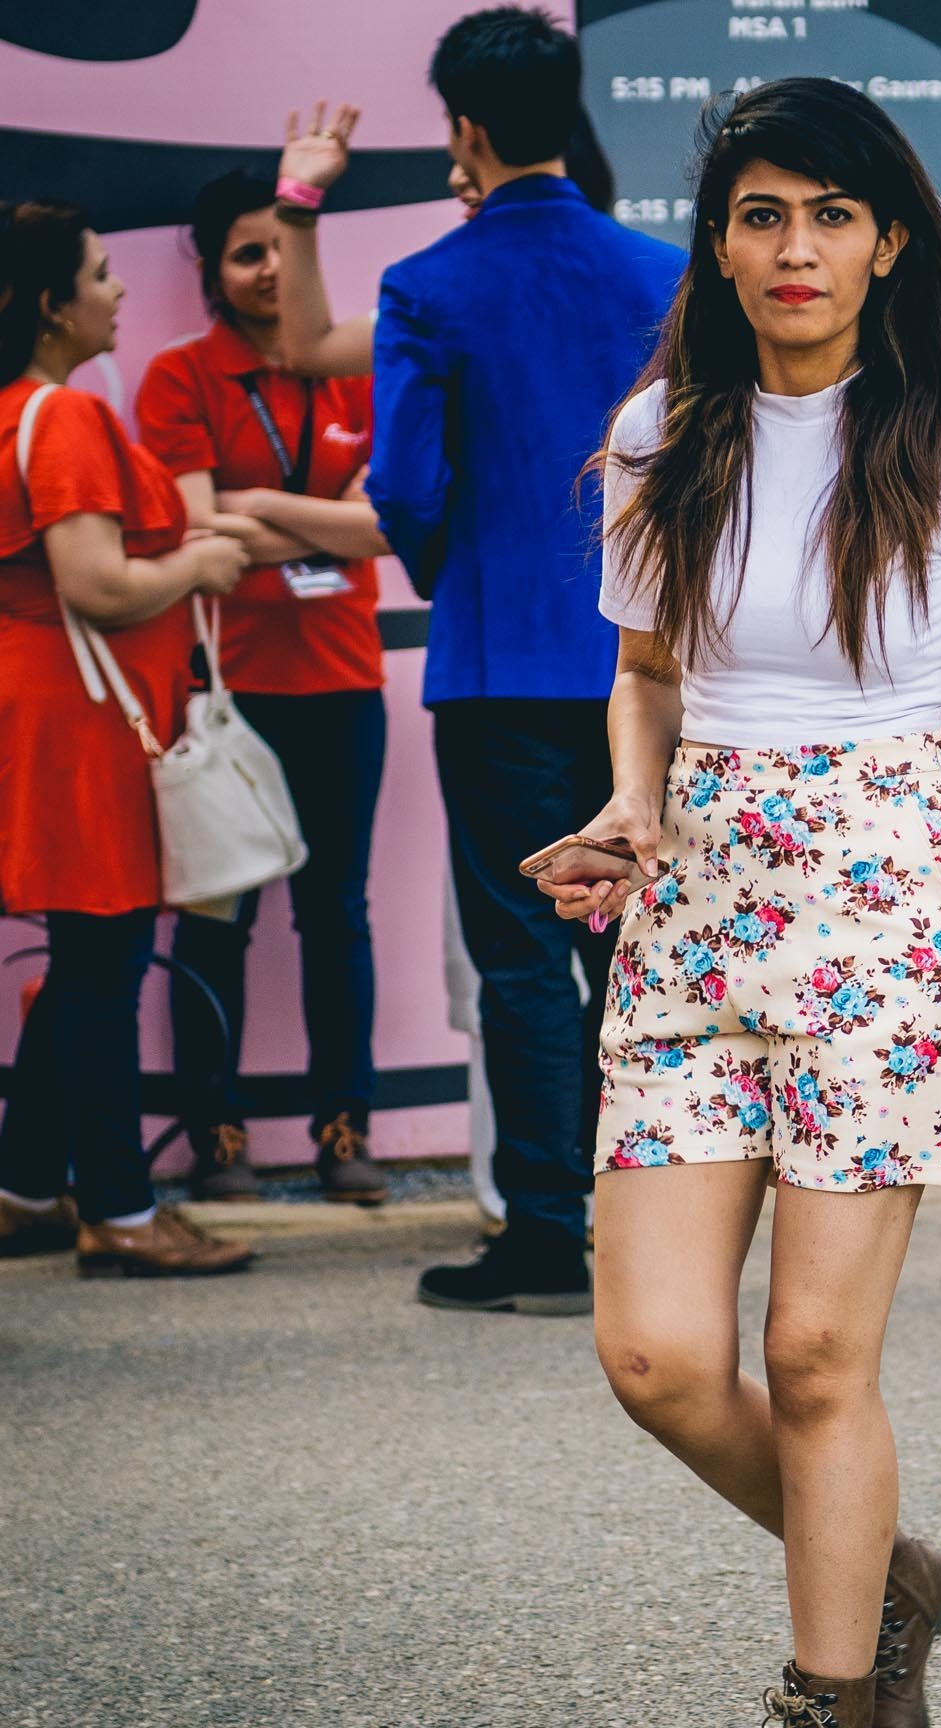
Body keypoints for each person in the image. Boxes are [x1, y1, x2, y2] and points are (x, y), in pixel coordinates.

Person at [535, 77, 941, 1728]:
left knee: (811, 1360)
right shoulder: (658, 432)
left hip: (887, 918)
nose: (796, 250)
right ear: (718, 240)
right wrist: (632, 799)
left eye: (831, 216)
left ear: (889, 242)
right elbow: (644, 671)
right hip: (695, 908)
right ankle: (886, 1585)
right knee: (656, 1357)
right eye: (762, 214)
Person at [364, 7, 687, 1312]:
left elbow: (403, 478)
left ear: (466, 130)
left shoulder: (428, 286)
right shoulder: (667, 274)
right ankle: (664, 1232)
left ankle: (548, 1236)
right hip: (651, 666)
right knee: (644, 951)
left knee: (519, 957)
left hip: (499, 667)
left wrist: (462, 571)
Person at [0, 199, 253, 1277]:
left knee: (87, 957)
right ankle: (118, 1206)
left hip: (59, 714)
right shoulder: (61, 417)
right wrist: (197, 565)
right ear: (52, 305)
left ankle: (24, 1185)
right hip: (83, 725)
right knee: (104, 961)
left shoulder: (25, 406)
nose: (118, 290)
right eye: (99, 275)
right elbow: (96, 583)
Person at [136, 170, 393, 1203]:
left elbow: (381, 526)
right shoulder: (177, 377)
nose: (267, 272)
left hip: (343, 678)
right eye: (246, 254)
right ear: (212, 268)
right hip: (224, 690)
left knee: (337, 915)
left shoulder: (358, 374)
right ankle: (217, 1136)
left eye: (282, 250)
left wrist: (253, 502)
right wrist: (302, 517)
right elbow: (203, 537)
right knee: (216, 918)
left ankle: (346, 1132)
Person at [271, 101, 617, 381]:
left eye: (475, 161)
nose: (455, 180)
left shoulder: (643, 282)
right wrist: (298, 201)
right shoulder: (438, 299)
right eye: (458, 161)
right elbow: (313, 350)